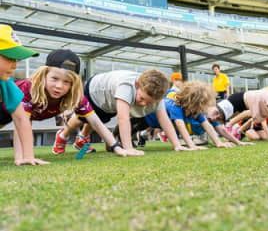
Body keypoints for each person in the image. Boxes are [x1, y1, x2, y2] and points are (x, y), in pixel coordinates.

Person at [16, 49, 128, 158]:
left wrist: (116, 147)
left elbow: (96, 122)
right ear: (44, 75)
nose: (59, 86)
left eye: (66, 82)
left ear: (73, 84)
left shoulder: (76, 97)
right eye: (54, 78)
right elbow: (22, 122)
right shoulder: (29, 89)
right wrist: (24, 156)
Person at [59, 69, 188, 156]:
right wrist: (128, 148)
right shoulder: (126, 86)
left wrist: (177, 145)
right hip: (95, 91)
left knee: (98, 120)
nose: (143, 104)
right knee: (84, 117)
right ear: (137, 84)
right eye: (142, 99)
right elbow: (123, 119)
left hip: (109, 101)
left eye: (148, 103)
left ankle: (81, 140)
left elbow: (164, 119)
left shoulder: (157, 95)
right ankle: (62, 136)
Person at [120, 81, 232, 150]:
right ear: (192, 102)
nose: (202, 109)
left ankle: (126, 138)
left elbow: (207, 125)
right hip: (148, 116)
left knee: (136, 128)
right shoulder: (175, 105)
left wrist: (218, 142)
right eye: (201, 105)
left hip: (158, 123)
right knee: (134, 127)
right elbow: (180, 125)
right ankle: (119, 138)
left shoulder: (194, 110)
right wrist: (191, 145)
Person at [0, 24, 49, 166]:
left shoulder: (6, 82)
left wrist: (28, 156)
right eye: (10, 58)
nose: (15, 65)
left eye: (17, 60)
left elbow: (21, 118)